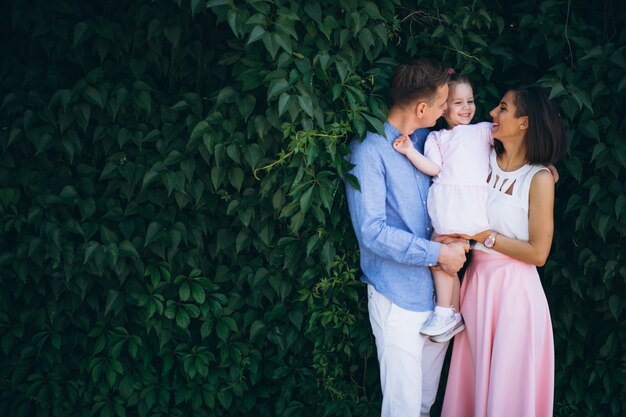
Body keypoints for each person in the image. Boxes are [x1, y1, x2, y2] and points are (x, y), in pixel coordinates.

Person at [344, 58, 469, 417]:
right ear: (421, 108)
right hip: (397, 296)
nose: (447, 109)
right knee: (401, 408)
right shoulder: (368, 150)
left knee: (424, 404)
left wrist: (540, 168)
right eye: (443, 103)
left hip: (439, 301)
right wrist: (438, 254)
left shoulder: (430, 141)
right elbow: (371, 232)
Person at [440, 85, 568, 417]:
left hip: (515, 296)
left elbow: (539, 253)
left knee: (506, 390)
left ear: (524, 122)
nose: (493, 113)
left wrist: (485, 235)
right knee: (474, 382)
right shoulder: (481, 160)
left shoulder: (538, 178)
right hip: (477, 288)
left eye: (504, 108)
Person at [392, 74, 492, 341]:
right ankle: (451, 313)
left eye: (470, 101)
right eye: (457, 102)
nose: (466, 108)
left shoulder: (483, 130)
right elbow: (433, 168)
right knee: (446, 257)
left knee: (442, 256)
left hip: (470, 208)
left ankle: (445, 311)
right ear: (443, 107)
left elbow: (513, 149)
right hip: (450, 207)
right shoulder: (436, 137)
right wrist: (410, 151)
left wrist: (542, 164)